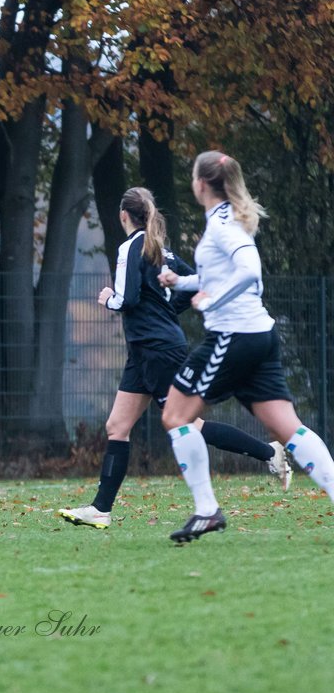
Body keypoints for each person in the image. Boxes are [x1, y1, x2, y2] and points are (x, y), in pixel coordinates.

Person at [58, 186, 291, 530]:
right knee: (117, 426)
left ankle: (269, 454)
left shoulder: (130, 247)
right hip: (143, 352)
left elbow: (128, 298)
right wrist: (168, 311)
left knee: (188, 424)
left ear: (123, 215)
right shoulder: (160, 250)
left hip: (157, 351)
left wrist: (108, 298)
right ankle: (100, 509)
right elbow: (190, 287)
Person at [157, 151, 334, 542]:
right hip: (259, 335)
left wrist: (212, 301)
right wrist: (181, 283)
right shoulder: (224, 219)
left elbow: (250, 271)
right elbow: (214, 275)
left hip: (232, 336)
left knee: (174, 416)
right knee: (290, 428)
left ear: (201, 183)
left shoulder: (222, 226)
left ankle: (207, 510)